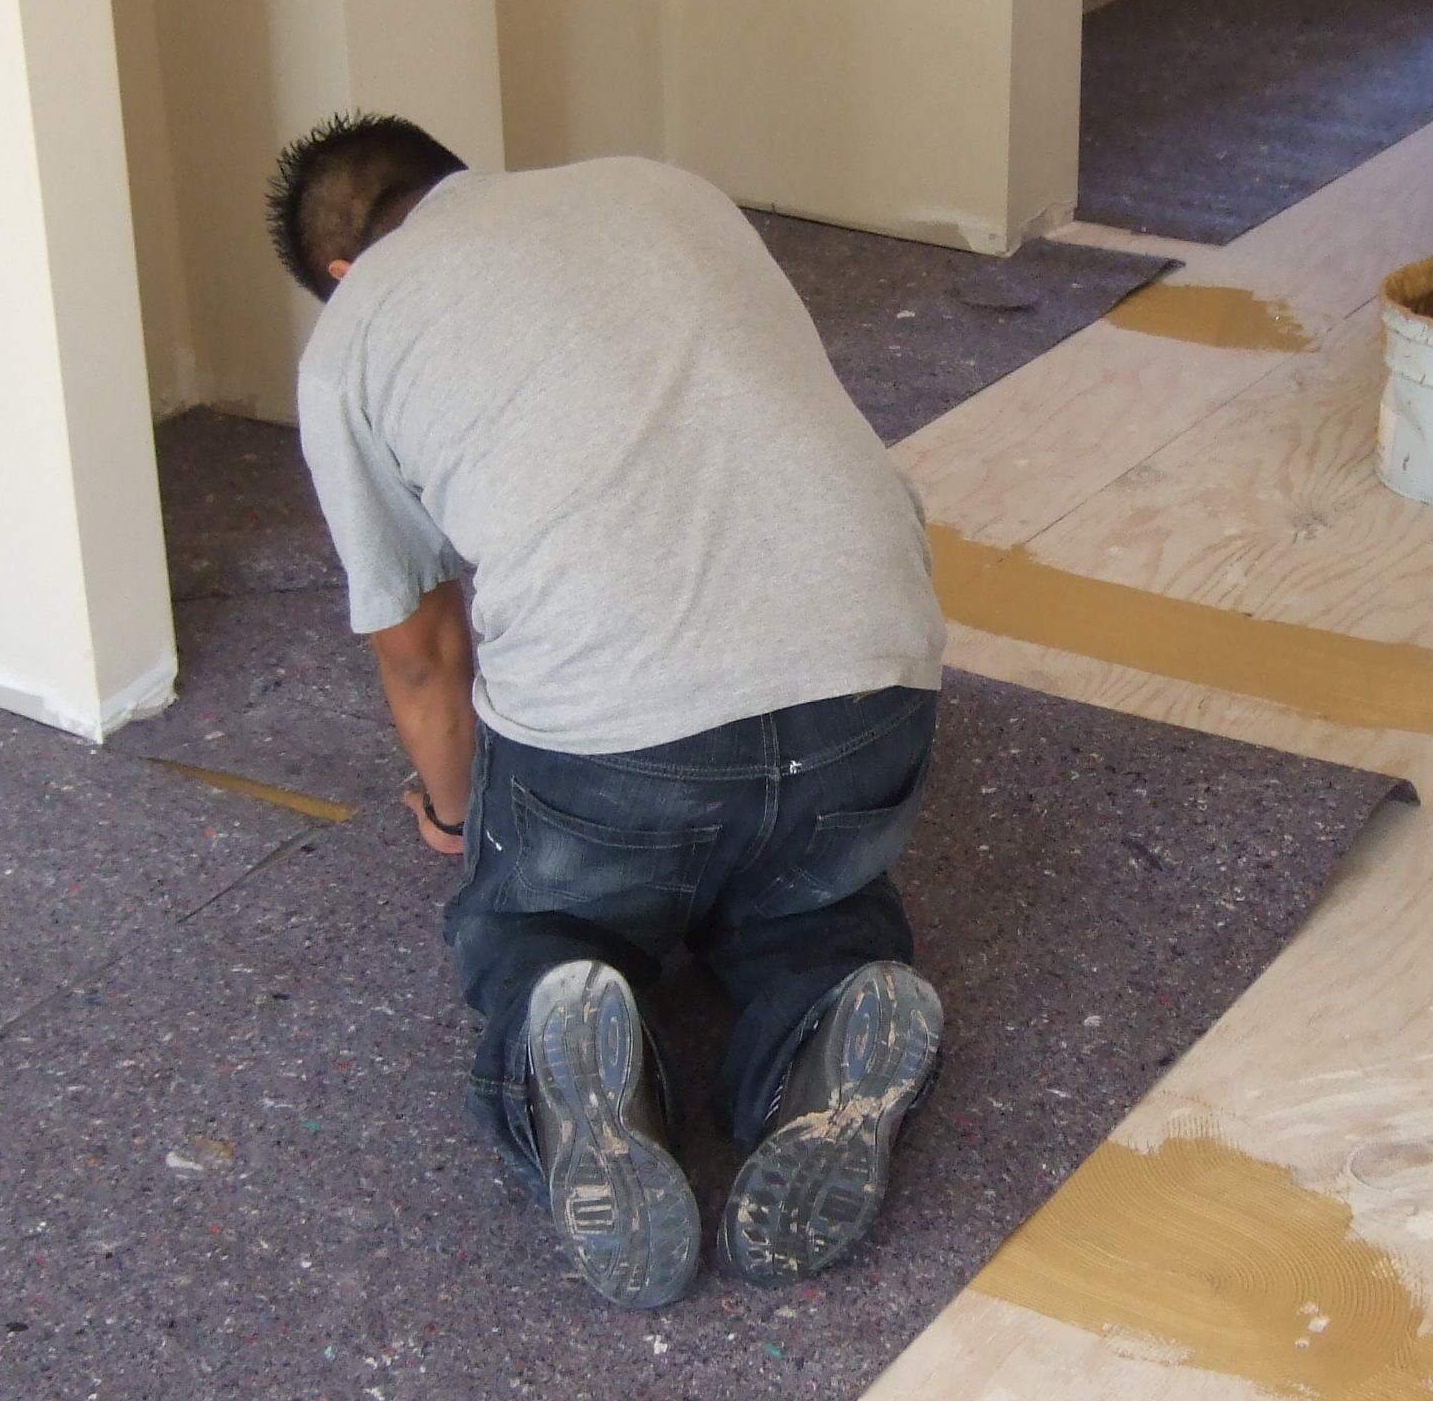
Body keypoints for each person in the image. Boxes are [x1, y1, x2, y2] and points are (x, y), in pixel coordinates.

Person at [268, 115, 951, 1310]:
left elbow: (422, 650)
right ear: (452, 177)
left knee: (531, 915)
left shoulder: (352, 337)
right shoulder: (663, 190)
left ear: (340, 270)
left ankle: (570, 1037)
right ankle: (837, 1000)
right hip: (874, 684)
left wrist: (456, 818)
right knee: (808, 893)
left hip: (622, 751)